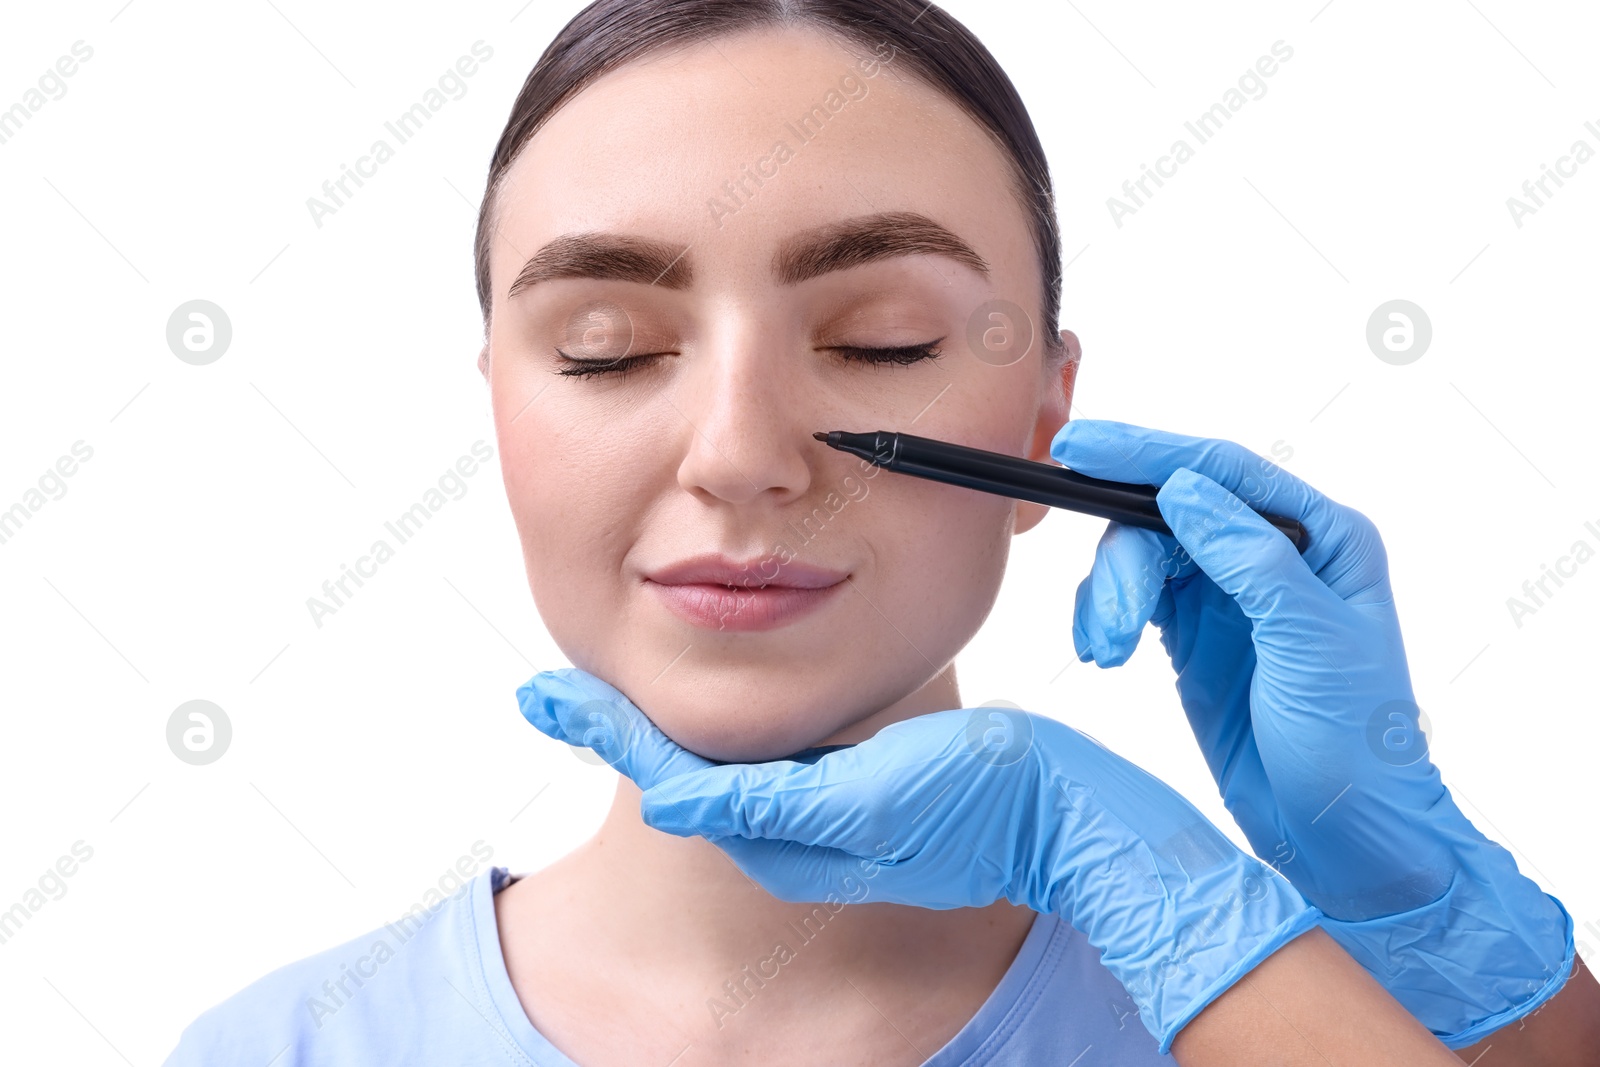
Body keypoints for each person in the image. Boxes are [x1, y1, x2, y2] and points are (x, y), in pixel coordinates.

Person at [162, 1, 1596, 1064]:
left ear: (1047, 426)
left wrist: (1432, 917)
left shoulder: (1285, 1026)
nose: (737, 454)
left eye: (886, 341)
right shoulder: (282, 1049)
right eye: (604, 350)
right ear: (500, 411)